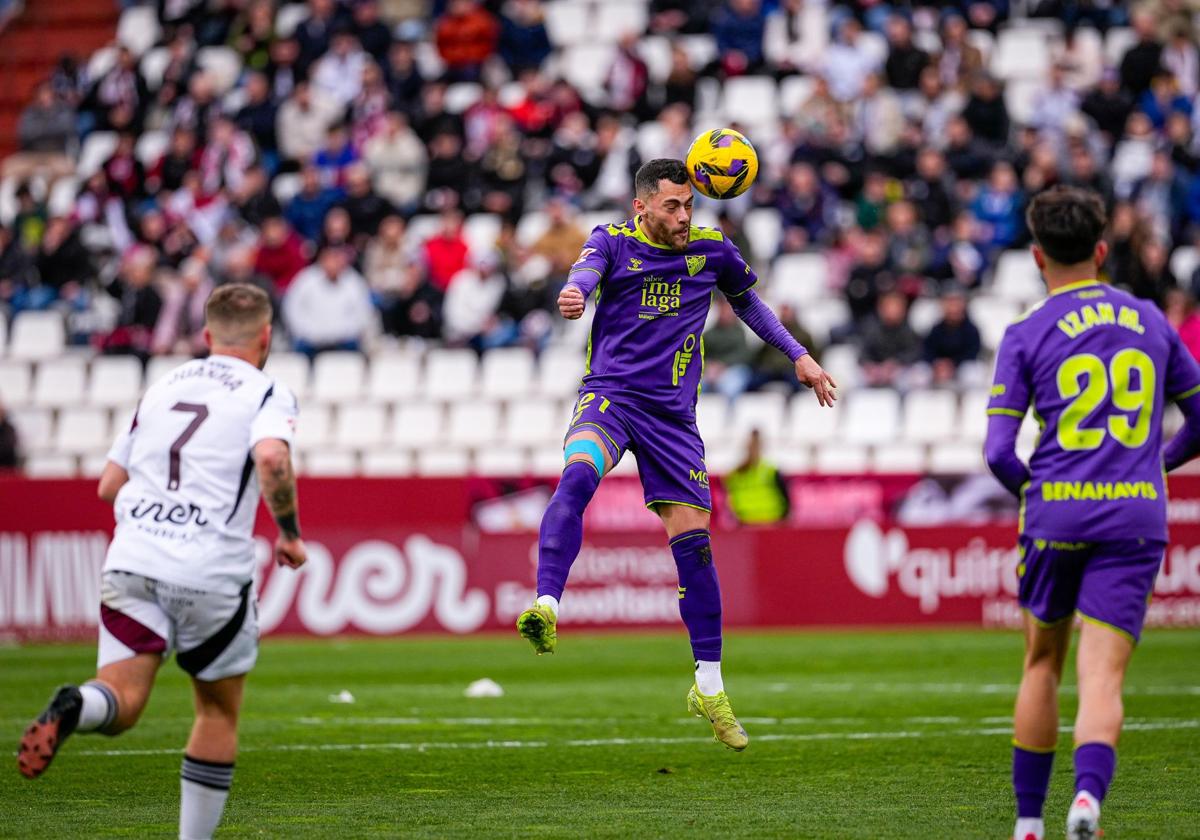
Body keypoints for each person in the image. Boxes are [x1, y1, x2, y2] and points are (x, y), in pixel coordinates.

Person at [515, 159, 836, 751]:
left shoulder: (713, 250)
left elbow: (750, 303)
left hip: (672, 421)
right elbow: (583, 275)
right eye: (672, 206)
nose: (685, 216)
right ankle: (545, 604)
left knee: (695, 547)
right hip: (610, 397)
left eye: (689, 205)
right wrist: (573, 294)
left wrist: (799, 355)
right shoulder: (612, 241)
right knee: (578, 475)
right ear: (643, 207)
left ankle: (708, 687)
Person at [17, 284, 306, 840]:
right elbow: (271, 456)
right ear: (266, 336)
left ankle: (77, 704)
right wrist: (290, 534)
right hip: (208, 568)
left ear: (206, 336)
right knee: (216, 713)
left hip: (132, 556)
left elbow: (109, 485)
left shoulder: (163, 385)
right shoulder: (268, 391)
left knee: (121, 703)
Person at [984, 186, 1200, 840]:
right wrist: (1151, 466)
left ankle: (1028, 824)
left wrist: (1037, 489)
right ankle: (1086, 804)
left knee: (1042, 662)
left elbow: (997, 453)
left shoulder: (1026, 332)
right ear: (1102, 251)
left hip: (1057, 517)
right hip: (1134, 517)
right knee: (1102, 673)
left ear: (1036, 256)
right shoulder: (1150, 320)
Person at [724, 429, 789, 525]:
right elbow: (729, 499)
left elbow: (786, 498)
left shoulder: (771, 470)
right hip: (746, 525)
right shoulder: (735, 474)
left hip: (771, 524)